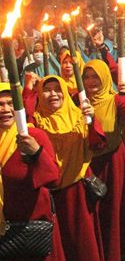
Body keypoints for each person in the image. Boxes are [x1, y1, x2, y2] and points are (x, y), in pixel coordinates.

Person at [29, 76, 106, 261]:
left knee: (81, 242)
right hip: (48, 195)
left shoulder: (80, 116)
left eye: (57, 89)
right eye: (47, 90)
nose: (53, 94)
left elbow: (97, 144)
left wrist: (92, 119)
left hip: (75, 191)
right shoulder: (35, 121)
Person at [83, 60, 125, 260]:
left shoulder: (115, 99)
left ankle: (118, 250)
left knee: (114, 206)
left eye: (95, 76)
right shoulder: (79, 100)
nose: (91, 81)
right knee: (93, 210)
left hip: (113, 162)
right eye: (86, 77)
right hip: (89, 164)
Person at [0, 81, 65, 261]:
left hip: (30, 227)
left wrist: (36, 152)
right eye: (0, 104)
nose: (5, 109)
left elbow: (54, 180)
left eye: (10, 103)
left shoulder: (33, 136)